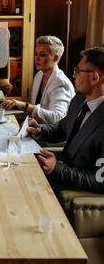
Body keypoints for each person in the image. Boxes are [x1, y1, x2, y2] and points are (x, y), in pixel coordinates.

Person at [27, 46, 104, 193]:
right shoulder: (79, 100)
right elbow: (62, 128)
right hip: (59, 168)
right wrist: (40, 130)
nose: (74, 76)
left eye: (78, 71)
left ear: (94, 77)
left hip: (72, 186)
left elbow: (101, 181)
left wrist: (57, 169)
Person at [2, 36, 75, 123]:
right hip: (35, 127)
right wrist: (15, 105)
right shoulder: (39, 75)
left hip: (52, 134)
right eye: (36, 54)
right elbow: (34, 109)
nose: (37, 58)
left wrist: (25, 106)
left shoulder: (60, 83)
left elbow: (57, 118)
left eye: (43, 55)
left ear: (55, 58)